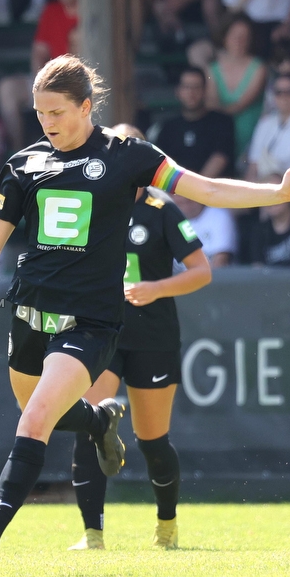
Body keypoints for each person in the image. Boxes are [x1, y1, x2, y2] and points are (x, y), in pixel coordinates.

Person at [0, 54, 290, 575]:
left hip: (91, 322)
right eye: (40, 113)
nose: (48, 123)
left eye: (58, 112)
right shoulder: (23, 164)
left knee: (36, 419)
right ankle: (101, 420)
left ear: (87, 107)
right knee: (43, 412)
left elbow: (207, 187)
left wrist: (279, 192)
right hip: (28, 316)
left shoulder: (128, 156)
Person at [65, 123, 210, 552]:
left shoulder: (161, 208)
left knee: (152, 440)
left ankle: (167, 524)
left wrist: (156, 288)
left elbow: (202, 271)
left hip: (153, 337)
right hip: (101, 332)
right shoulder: (89, 202)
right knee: (90, 426)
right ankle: (92, 534)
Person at [0, 0, 79, 151]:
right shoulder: (51, 11)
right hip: (50, 80)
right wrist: (43, 80)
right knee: (7, 89)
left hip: (78, 84)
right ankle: (18, 153)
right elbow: (39, 53)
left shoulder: (91, 14)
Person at [206, 13, 268, 160]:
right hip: (220, 132)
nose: (239, 41)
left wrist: (220, 113)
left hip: (250, 133)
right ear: (224, 37)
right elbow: (211, 102)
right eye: (235, 36)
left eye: (244, 37)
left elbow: (241, 104)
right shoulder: (212, 68)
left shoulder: (259, 68)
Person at [155, 66, 235, 178]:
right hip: (173, 192)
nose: (191, 93)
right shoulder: (168, 127)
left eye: (196, 87)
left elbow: (220, 158)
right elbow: (161, 164)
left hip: (211, 191)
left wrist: (192, 191)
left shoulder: (222, 122)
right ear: (178, 91)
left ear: (205, 91)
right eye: (186, 87)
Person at [170, 193, 237, 266]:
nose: (184, 199)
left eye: (188, 193)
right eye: (178, 194)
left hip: (211, 276)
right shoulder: (167, 219)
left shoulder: (218, 215)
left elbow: (220, 261)